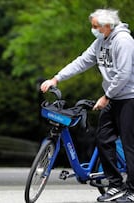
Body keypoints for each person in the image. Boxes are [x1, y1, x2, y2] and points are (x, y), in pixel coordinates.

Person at [40, 9, 134, 202]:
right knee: (103, 139)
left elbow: (124, 74)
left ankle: (132, 190)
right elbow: (82, 61)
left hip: (129, 98)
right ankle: (115, 185)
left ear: (107, 25)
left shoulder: (123, 41)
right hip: (114, 98)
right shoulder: (101, 41)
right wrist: (56, 78)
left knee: (129, 144)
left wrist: (107, 96)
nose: (93, 30)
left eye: (95, 27)